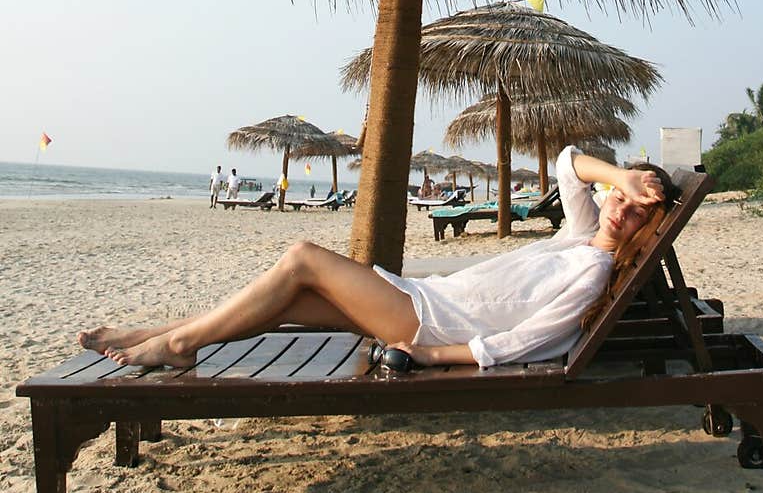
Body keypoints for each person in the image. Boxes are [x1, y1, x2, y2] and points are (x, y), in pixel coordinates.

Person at [78, 148, 673, 371]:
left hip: (430, 320)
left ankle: (179, 346)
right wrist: (624, 174)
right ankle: (157, 336)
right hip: (428, 300)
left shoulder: (592, 270)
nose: (621, 209)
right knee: (291, 304)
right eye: (618, 198)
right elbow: (569, 163)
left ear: (648, 224)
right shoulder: (580, 233)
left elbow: (535, 339)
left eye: (636, 211)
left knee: (303, 257)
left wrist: (434, 355)